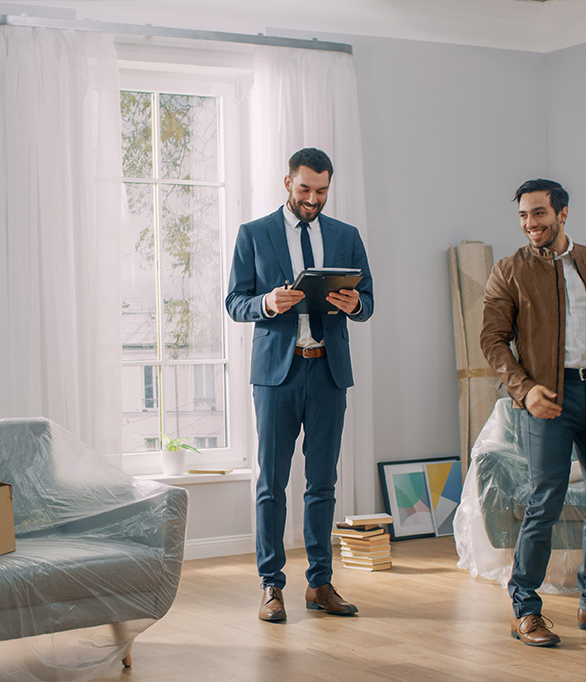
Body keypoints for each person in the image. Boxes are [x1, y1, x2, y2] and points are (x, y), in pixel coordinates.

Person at [225, 148, 374, 622]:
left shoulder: (346, 235)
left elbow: (367, 300)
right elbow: (234, 301)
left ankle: (320, 584)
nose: (314, 199)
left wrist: (353, 303)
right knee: (271, 484)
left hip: (328, 372)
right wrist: (268, 302)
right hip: (276, 375)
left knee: (323, 482)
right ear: (287, 183)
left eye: (322, 190)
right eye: (306, 189)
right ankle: (271, 585)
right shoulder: (255, 233)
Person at [481, 179, 586, 647]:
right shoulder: (509, 271)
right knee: (545, 502)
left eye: (539, 214)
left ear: (563, 214)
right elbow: (492, 340)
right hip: (547, 399)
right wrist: (524, 391)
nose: (530, 224)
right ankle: (525, 609)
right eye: (524, 216)